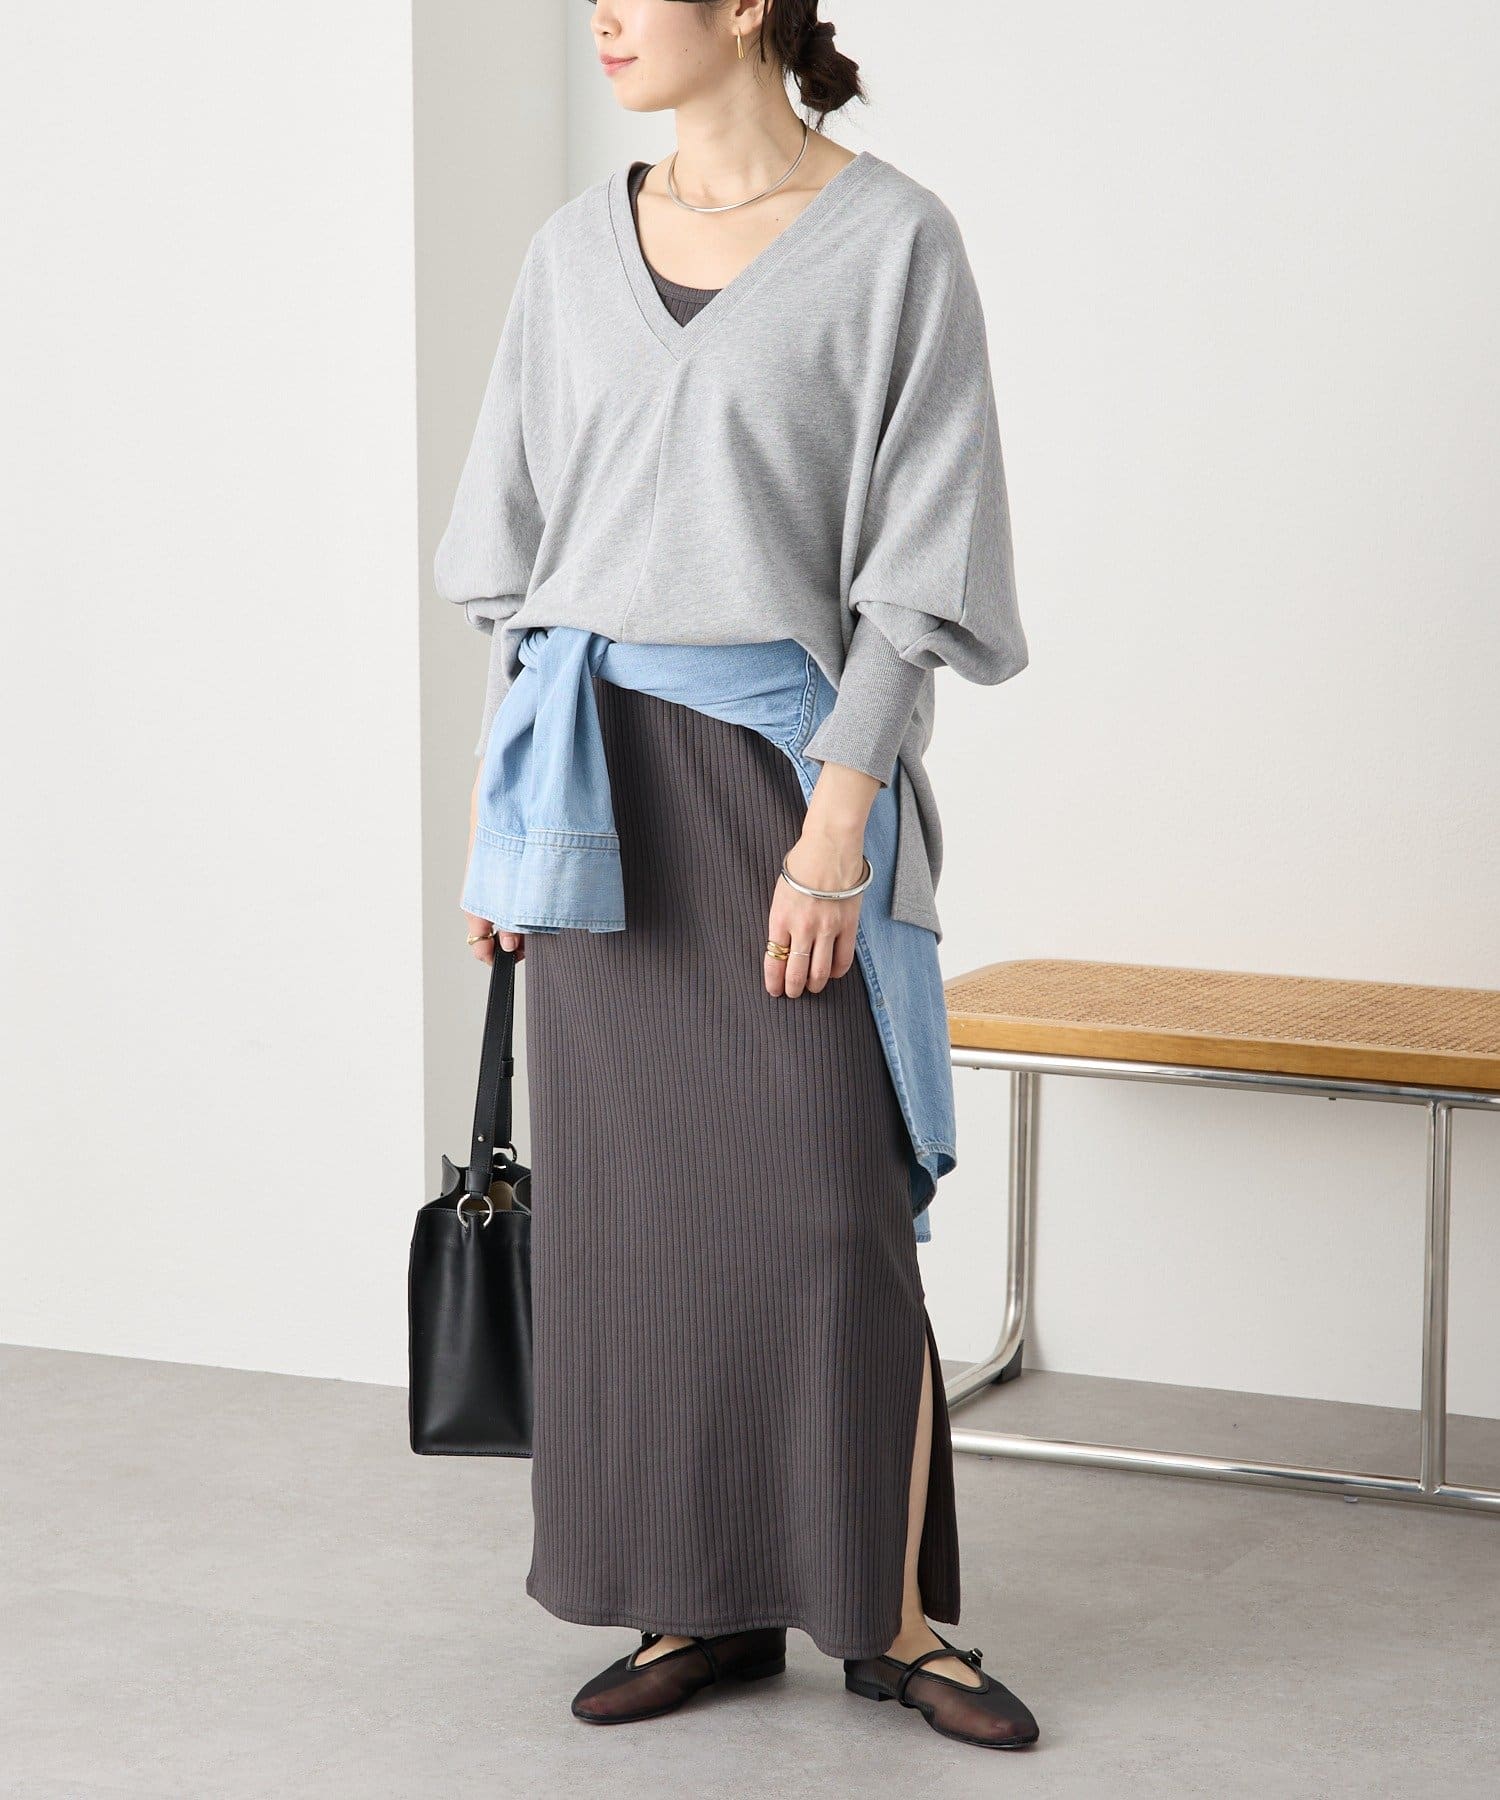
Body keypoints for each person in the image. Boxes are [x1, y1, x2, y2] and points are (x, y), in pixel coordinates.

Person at [435, 0, 1040, 1753]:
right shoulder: (572, 255)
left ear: (752, 5)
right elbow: (516, 563)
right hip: (592, 796)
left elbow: (922, 563)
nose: (605, 18)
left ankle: (896, 1620)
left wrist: (841, 824)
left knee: (833, 1216)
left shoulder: (893, 241)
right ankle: (695, 1595)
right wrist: (501, 826)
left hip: (785, 779)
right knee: (640, 1226)